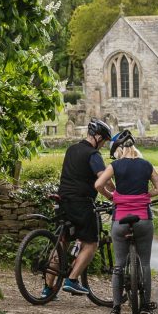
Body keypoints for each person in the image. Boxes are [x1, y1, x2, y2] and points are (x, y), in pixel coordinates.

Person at [94, 130, 158, 314]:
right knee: (145, 263)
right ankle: (145, 307)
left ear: (119, 151)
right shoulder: (146, 165)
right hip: (143, 218)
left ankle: (116, 307)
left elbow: (98, 185)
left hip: (121, 219)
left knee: (119, 264)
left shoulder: (115, 166)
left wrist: (112, 196)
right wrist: (146, 196)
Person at [49, 117, 115, 299]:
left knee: (61, 244)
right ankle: (71, 280)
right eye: (104, 141)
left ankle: (47, 290)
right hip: (81, 203)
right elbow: (104, 179)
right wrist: (115, 195)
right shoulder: (93, 155)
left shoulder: (71, 150)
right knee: (91, 244)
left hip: (63, 200)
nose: (102, 145)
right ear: (98, 137)